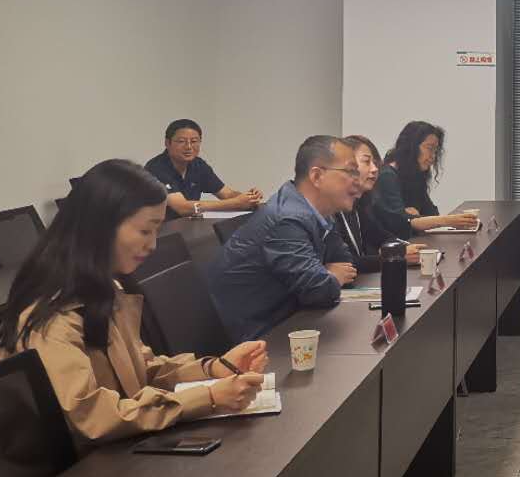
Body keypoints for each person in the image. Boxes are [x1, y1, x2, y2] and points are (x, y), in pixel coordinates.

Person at [0, 159, 267, 446]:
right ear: (101, 227)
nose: (153, 245)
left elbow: (143, 369)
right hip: (72, 469)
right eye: (145, 231)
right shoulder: (51, 314)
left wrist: (213, 369)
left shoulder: (103, 288)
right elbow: (91, 416)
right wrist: (207, 397)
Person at [207, 136, 361, 342]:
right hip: (259, 335)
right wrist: (330, 275)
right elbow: (317, 290)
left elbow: (345, 264)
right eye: (351, 171)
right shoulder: (288, 218)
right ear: (317, 176)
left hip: (289, 319)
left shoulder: (318, 211)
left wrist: (327, 274)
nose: (358, 180)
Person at [335, 134, 421, 272]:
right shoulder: (330, 210)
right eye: (367, 162)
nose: (375, 169)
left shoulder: (360, 204)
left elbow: (380, 236)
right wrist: (394, 256)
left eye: (375, 163)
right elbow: (343, 263)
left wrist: (403, 248)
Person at [144, 119, 263, 218]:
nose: (189, 147)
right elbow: (183, 208)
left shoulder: (198, 165)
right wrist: (236, 203)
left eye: (194, 141)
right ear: (167, 143)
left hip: (186, 228)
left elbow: (227, 194)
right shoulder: (156, 168)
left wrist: (250, 198)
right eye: (181, 141)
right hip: (157, 232)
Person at [374, 121, 464, 234]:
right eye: (429, 148)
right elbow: (400, 222)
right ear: (410, 147)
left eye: (435, 151)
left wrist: (416, 216)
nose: (433, 156)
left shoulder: (415, 176)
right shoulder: (387, 176)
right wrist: (445, 220)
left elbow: (432, 213)